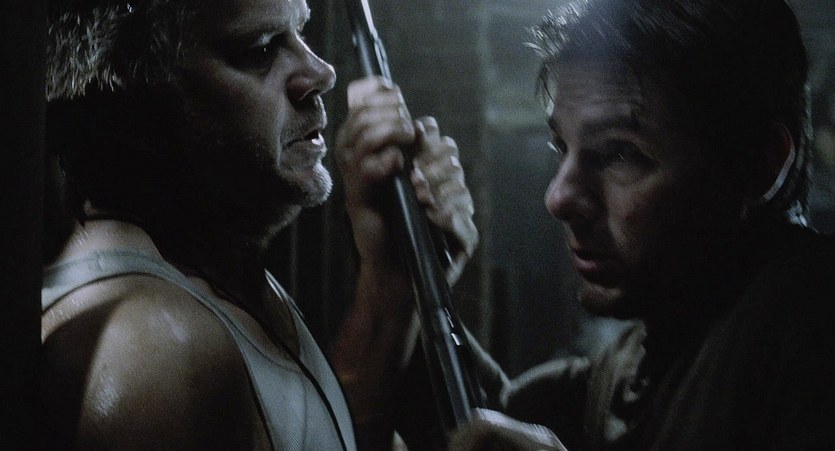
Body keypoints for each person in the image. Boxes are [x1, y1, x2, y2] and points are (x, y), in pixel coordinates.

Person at [40, 0, 477, 449]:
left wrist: (389, 286)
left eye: (301, 33)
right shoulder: (154, 348)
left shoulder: (211, 282)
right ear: (137, 104)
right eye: (261, 49)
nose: (321, 72)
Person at [442, 0, 835, 449]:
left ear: (759, 164)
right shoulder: (645, 352)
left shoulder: (811, 329)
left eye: (620, 152)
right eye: (561, 146)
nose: (559, 198)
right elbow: (487, 422)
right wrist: (412, 269)